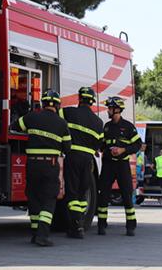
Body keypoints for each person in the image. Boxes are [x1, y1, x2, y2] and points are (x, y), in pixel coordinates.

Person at [11, 89, 70, 247]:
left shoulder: (32, 117)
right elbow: (67, 148)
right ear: (57, 105)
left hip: (32, 164)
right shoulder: (62, 123)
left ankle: (35, 234)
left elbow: (15, 126)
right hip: (50, 164)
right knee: (49, 199)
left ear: (43, 103)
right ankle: (42, 236)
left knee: (34, 198)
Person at [60, 87, 103, 239]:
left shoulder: (68, 112)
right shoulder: (98, 122)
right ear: (92, 101)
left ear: (79, 98)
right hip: (88, 160)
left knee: (71, 191)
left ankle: (75, 226)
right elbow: (100, 144)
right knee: (82, 192)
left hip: (72, 156)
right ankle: (81, 223)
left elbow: (53, 118)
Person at [96, 96, 141, 237]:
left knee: (127, 194)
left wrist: (122, 150)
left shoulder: (128, 127)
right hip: (108, 165)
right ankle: (101, 225)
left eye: (110, 108)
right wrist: (99, 149)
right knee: (103, 194)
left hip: (122, 165)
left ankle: (130, 226)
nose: (107, 110)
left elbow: (137, 145)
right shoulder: (107, 126)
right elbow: (103, 144)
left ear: (116, 109)